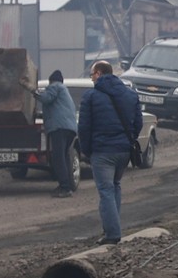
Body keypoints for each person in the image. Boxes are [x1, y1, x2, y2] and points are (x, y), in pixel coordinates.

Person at [78, 59, 143, 245]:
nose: (91, 79)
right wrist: (127, 140)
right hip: (123, 151)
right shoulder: (130, 95)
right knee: (115, 186)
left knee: (106, 190)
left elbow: (84, 128)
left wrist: (87, 150)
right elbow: (137, 123)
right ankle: (111, 228)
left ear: (98, 73)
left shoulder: (90, 97)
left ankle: (112, 234)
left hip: (102, 151)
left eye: (92, 75)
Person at [34, 70, 78, 198]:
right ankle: (67, 185)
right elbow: (56, 109)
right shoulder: (64, 91)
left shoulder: (55, 86)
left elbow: (46, 98)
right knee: (64, 157)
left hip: (59, 128)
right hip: (69, 128)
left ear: (51, 80)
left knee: (58, 158)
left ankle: (65, 188)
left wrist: (33, 91)